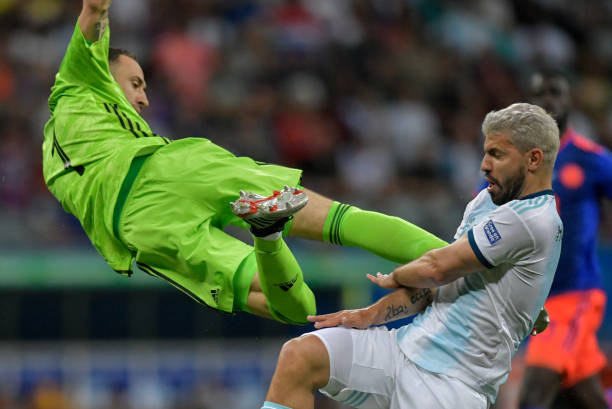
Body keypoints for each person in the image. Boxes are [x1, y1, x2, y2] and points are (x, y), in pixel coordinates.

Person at [42, 0, 447, 325]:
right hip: (167, 171)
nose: (145, 98)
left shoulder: (54, 159)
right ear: (98, 71)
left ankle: (267, 237)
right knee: (339, 219)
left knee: (290, 310)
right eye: (135, 84)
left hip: (145, 232)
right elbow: (95, 7)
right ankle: (464, 258)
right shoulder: (77, 83)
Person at [259, 102, 563, 409]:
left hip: (452, 384)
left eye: (497, 154)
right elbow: (437, 287)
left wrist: (395, 276)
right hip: (405, 350)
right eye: (486, 152)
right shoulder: (487, 200)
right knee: (301, 357)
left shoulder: (533, 219)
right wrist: (370, 315)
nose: (484, 165)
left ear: (533, 159)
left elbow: (436, 268)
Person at [516, 70, 612, 409]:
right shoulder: (517, 163)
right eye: (540, 94)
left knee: (532, 398)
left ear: (569, 100)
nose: (549, 101)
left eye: (556, 92)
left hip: (576, 296)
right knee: (587, 398)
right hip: (539, 304)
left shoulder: (591, 158)